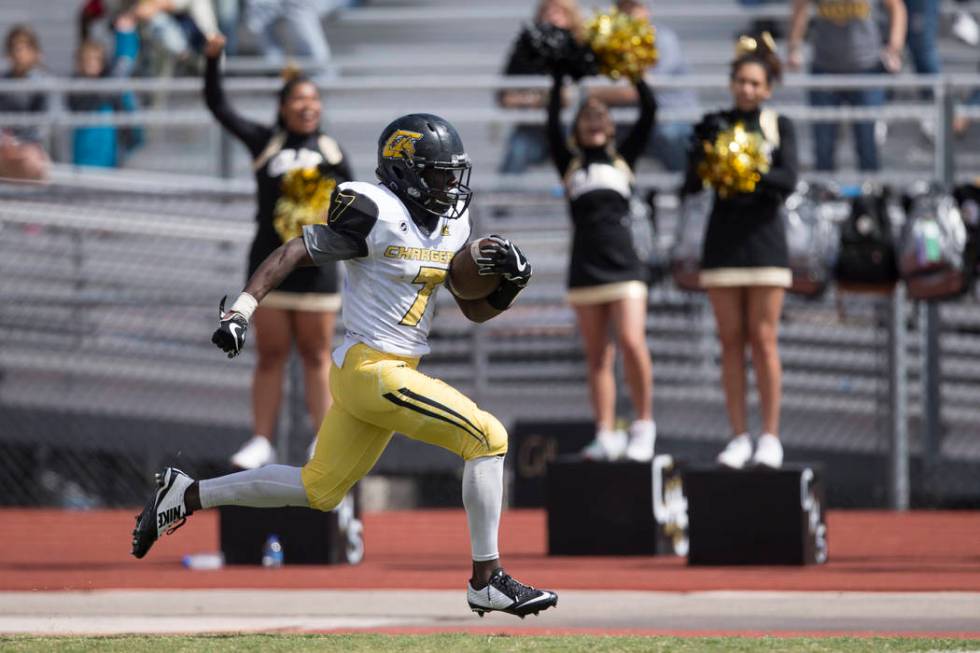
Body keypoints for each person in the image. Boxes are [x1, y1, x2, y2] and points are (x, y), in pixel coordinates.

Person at [130, 113, 558, 619]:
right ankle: (487, 580)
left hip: (386, 372)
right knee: (487, 438)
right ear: (406, 170)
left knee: (319, 490)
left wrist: (507, 286)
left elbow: (472, 308)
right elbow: (293, 250)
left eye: (452, 174)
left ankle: (186, 494)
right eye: (439, 174)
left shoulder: (452, 222)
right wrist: (242, 310)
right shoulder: (374, 209)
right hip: (373, 369)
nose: (449, 186)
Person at [204, 33, 352, 469]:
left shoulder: (331, 149)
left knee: (316, 354)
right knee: (270, 354)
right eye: (299, 100)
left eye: (314, 99)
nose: (308, 106)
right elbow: (218, 106)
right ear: (284, 106)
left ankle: (322, 442)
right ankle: (261, 441)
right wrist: (214, 60)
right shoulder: (265, 142)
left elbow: (352, 204)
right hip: (270, 266)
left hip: (318, 269)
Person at [681, 37, 798, 469]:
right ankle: (738, 437)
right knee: (730, 342)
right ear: (731, 84)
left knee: (763, 339)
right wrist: (699, 155)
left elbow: (787, 180)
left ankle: (770, 436)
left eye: (755, 83)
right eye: (741, 81)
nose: (747, 89)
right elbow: (691, 187)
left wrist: (746, 166)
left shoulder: (778, 124)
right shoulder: (715, 123)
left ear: (767, 88)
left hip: (766, 242)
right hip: (724, 243)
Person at [548, 61, 658, 462]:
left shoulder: (624, 158)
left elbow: (649, 110)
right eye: (586, 118)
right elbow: (549, 119)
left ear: (611, 127)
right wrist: (562, 73)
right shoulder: (570, 165)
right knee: (597, 355)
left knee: (631, 342)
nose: (594, 122)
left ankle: (644, 425)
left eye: (601, 117)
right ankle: (605, 430)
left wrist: (630, 65)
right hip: (584, 269)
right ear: (577, 128)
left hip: (624, 267)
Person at [787, 0, 906, 172]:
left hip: (866, 70)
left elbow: (897, 7)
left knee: (867, 143)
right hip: (825, 69)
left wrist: (895, 47)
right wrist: (794, 47)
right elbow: (800, 7)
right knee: (823, 145)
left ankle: (869, 194)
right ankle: (824, 193)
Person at [590, 0, 698, 173]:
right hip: (632, 121)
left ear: (646, 10)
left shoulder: (663, 38)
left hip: (670, 118)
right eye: (623, 9)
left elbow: (642, 90)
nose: (629, 15)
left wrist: (598, 93)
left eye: (634, 8)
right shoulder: (611, 40)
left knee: (668, 135)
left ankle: (686, 185)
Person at [497, 0, 584, 175]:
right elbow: (505, 97)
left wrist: (543, 98)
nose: (552, 17)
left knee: (585, 161)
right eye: (547, 11)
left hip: (574, 129)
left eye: (559, 12)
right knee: (516, 154)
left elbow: (584, 95)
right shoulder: (525, 48)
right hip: (534, 129)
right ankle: (502, 202)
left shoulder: (582, 46)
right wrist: (549, 98)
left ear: (571, 16)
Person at [68, 20, 142, 168]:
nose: (91, 64)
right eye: (86, 60)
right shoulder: (74, 87)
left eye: (95, 59)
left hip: (109, 153)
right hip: (84, 153)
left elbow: (124, 65)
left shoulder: (111, 88)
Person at [0, 25, 50, 182]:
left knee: (31, 163)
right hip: (4, 147)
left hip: (30, 148)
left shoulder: (43, 82)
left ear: (34, 52)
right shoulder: (3, 81)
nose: (19, 53)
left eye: (24, 48)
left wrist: (19, 143)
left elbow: (44, 123)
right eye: (15, 48)